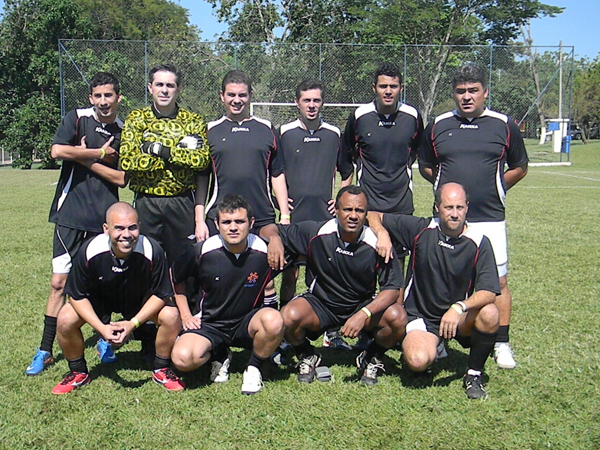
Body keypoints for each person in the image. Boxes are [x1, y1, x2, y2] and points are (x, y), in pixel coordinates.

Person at [418, 62, 529, 369]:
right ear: (454, 94)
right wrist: (444, 191)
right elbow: (426, 165)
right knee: (440, 278)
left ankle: (501, 342)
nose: (466, 96)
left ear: (485, 92)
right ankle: (438, 336)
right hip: (447, 220)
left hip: (489, 217)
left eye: (473, 90)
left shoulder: (503, 125)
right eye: (460, 91)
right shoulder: (438, 125)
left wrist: (498, 188)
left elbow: (520, 166)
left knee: (499, 282)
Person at [26, 72, 127, 376]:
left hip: (104, 220)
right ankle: (45, 350)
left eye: (108, 95)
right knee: (59, 283)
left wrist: (81, 156)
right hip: (70, 216)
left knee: (103, 282)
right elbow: (57, 151)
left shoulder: (124, 130)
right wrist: (98, 153)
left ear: (118, 97)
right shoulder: (78, 118)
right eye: (98, 95)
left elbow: (121, 177)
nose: (103, 101)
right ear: (90, 97)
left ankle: (105, 341)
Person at [261, 185, 407, 386]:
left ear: (366, 213)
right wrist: (275, 238)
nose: (353, 216)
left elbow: (392, 289)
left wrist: (363, 314)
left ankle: (371, 357)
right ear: (336, 210)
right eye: (347, 209)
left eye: (359, 210)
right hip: (320, 304)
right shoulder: (317, 232)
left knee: (398, 317)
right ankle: (307, 355)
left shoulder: (378, 243)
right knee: (287, 316)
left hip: (360, 305)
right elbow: (268, 228)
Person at [368, 183, 500, 399]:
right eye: (449, 207)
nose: (455, 214)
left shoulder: (479, 242)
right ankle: (429, 344)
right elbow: (373, 215)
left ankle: (474, 374)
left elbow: (489, 291)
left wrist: (459, 307)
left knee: (490, 312)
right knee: (417, 361)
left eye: (460, 207)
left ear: (467, 207)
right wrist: (382, 234)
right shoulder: (422, 229)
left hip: (457, 317)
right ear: (437, 207)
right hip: (422, 318)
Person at [51, 202, 184, 394]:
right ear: (106, 229)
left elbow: (161, 294)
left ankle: (161, 369)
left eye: (132, 228)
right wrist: (101, 328)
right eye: (119, 228)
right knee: (65, 319)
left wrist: (132, 324)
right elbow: (76, 296)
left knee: (171, 315)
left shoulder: (152, 249)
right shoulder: (90, 250)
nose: (126, 234)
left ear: (139, 227)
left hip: (138, 301)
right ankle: (78, 372)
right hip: (99, 301)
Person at [170, 195, 284, 395]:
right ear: (217, 224)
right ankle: (220, 354)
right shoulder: (202, 251)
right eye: (226, 222)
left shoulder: (265, 250)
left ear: (251, 222)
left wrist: (276, 238)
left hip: (246, 323)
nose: (233, 228)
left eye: (239, 221)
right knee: (182, 358)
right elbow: (175, 277)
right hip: (209, 323)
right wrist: (186, 315)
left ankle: (254, 368)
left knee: (274, 320)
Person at [196, 69, 290, 309]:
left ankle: (268, 320)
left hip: (261, 216)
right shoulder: (211, 130)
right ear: (222, 96)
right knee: (218, 275)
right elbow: (202, 178)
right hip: (220, 217)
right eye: (231, 95)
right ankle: (216, 321)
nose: (236, 100)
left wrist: (284, 215)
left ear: (250, 96)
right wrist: (199, 220)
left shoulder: (266, 128)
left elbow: (277, 173)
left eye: (242, 95)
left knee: (266, 276)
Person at [278, 80, 354, 349]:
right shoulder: (284, 132)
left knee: (326, 276)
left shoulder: (334, 134)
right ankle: (284, 332)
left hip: (324, 220)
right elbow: (273, 170)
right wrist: (279, 203)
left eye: (316, 100)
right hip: (294, 220)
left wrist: (340, 200)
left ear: (323, 103)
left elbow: (347, 171)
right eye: (306, 100)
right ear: (297, 102)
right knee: (289, 274)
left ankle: (331, 333)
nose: (311, 105)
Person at [119, 63, 210, 266]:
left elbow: (201, 160)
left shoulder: (192, 120)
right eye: (159, 84)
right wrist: (177, 156)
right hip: (147, 201)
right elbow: (128, 160)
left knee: (184, 265)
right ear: (150, 87)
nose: (164, 90)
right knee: (145, 261)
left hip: (182, 202)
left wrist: (157, 149)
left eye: (170, 85)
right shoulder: (137, 119)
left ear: (179, 89)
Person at [342, 62, 423, 266]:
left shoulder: (412, 117)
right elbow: (347, 153)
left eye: (393, 86)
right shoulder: (360, 116)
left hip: (401, 204)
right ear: (374, 88)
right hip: (368, 203)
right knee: (364, 263)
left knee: (397, 265)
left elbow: (415, 151)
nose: (388, 91)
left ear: (401, 88)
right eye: (383, 86)